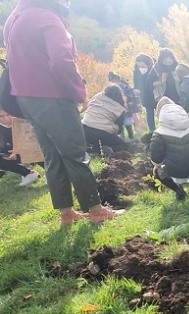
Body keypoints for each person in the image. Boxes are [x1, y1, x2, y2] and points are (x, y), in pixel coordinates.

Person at [3, 0, 123, 226]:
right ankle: (96, 210)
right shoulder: (46, 18)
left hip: (26, 98)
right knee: (75, 153)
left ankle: (66, 213)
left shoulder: (14, 18)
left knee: (52, 156)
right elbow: (61, 62)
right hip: (53, 96)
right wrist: (80, 92)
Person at [149, 97, 189, 201]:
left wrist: (158, 165)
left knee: (157, 171)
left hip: (175, 172)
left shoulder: (159, 134)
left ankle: (180, 192)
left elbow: (156, 158)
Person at [81, 84, 129, 154]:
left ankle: (92, 150)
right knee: (123, 145)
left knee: (97, 142)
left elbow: (89, 108)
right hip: (103, 134)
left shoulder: (96, 97)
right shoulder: (120, 109)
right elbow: (119, 130)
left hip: (84, 129)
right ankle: (110, 150)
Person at [0, 108, 41, 186]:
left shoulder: (22, 120)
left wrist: (20, 150)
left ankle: (53, 172)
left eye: (8, 114)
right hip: (14, 153)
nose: (7, 119)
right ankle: (28, 174)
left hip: (35, 150)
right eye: (1, 116)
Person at [108, 71, 141, 141]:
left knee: (127, 122)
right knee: (122, 123)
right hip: (121, 107)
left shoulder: (122, 86)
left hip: (126, 107)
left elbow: (128, 97)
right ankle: (125, 137)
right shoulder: (119, 86)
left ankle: (130, 137)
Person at [134, 53, 157, 130]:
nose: (141, 68)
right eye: (139, 66)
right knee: (149, 114)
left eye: (143, 66)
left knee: (162, 112)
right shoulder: (136, 72)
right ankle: (152, 131)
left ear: (148, 64)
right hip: (145, 96)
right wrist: (136, 89)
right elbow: (136, 84)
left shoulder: (154, 70)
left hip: (156, 94)